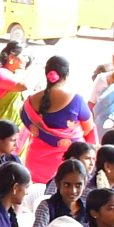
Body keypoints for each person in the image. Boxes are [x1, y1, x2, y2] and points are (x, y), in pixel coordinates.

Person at [20, 55, 94, 183]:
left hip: (36, 161)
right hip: (67, 164)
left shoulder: (30, 101)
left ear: (47, 74)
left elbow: (27, 123)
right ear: (67, 75)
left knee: (36, 194)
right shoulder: (76, 100)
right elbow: (88, 128)